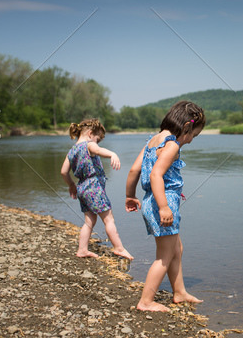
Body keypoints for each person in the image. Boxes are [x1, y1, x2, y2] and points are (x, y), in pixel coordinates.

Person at [125, 101, 205, 311]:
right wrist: (164, 207)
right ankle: (146, 301)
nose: (191, 141)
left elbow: (134, 170)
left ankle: (179, 292)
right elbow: (156, 174)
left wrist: (129, 196)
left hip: (150, 199)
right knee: (164, 255)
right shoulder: (172, 145)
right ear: (186, 127)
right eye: (193, 136)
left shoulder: (152, 141)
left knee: (177, 248)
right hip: (163, 201)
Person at [60, 118, 133, 260]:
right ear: (91, 133)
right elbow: (98, 150)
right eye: (97, 139)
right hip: (94, 187)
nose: (97, 143)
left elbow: (63, 172)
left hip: (82, 187)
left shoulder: (72, 150)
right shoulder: (89, 145)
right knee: (109, 219)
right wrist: (113, 154)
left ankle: (82, 249)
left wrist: (71, 185)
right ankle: (119, 248)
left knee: (89, 221)